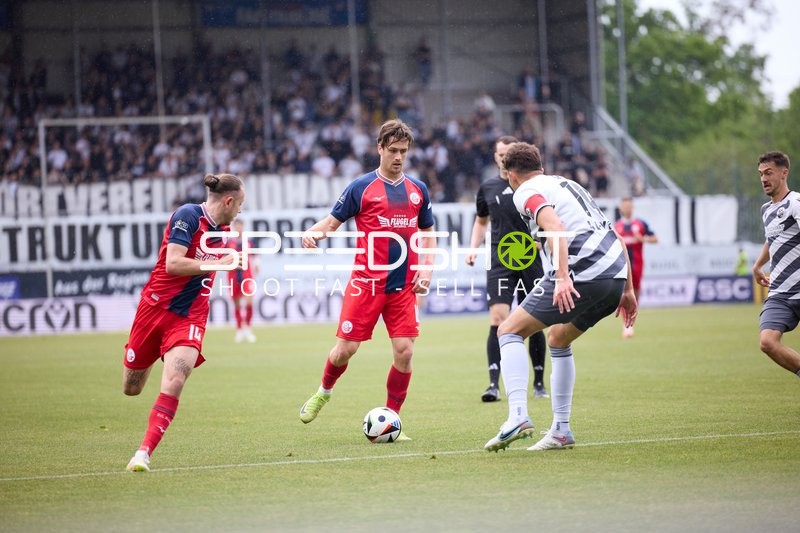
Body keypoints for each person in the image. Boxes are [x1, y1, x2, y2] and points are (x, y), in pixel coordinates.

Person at [483, 142, 636, 453]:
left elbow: (556, 227)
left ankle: (517, 416)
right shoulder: (568, 185)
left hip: (583, 271)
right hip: (614, 275)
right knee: (557, 339)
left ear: (512, 175)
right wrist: (629, 289)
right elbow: (615, 234)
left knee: (508, 330)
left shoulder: (525, 190)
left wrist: (563, 276)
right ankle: (561, 430)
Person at [298, 119, 435, 440]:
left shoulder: (418, 191)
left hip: (403, 287)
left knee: (405, 352)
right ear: (379, 149)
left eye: (404, 151)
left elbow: (428, 234)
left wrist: (427, 269)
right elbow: (331, 223)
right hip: (366, 283)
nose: (399, 157)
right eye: (393, 150)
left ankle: (392, 420)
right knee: (345, 350)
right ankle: (323, 391)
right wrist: (312, 233)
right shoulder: (361, 187)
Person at [123, 173, 245, 472]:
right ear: (228, 201)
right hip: (153, 309)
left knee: (176, 379)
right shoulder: (188, 215)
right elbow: (173, 263)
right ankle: (150, 354)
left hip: (190, 316)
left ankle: (143, 453)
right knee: (132, 388)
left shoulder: (226, 231)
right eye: (240, 204)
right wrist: (216, 264)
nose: (241, 210)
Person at [466, 135, 548, 402]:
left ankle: (538, 383)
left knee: (533, 321)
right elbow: (481, 221)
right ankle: (493, 384)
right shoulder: (487, 187)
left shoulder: (532, 187)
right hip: (499, 260)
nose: (503, 157)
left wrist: (540, 241)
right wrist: (473, 247)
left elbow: (548, 220)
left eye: (507, 153)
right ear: (495, 156)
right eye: (499, 153)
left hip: (529, 258)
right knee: (498, 318)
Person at [752, 151, 800, 378]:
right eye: (761, 174)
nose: (763, 178)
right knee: (767, 342)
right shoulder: (766, 209)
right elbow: (773, 238)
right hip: (780, 291)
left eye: (768, 173)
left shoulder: (796, 203)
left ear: (784, 173)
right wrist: (757, 265)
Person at [614, 196, 658, 337]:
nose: (627, 208)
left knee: (636, 292)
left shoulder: (640, 224)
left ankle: (631, 319)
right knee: (623, 292)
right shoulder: (616, 226)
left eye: (629, 205)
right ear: (621, 208)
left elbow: (655, 239)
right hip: (622, 265)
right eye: (624, 205)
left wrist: (643, 239)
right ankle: (625, 325)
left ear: (632, 207)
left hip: (638, 263)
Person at [228, 218, 259, 343]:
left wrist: (257, 264)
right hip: (233, 274)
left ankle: (248, 327)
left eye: (240, 225)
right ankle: (239, 329)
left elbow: (255, 256)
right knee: (236, 302)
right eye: (237, 225)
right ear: (234, 227)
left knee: (249, 301)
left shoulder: (249, 242)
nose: (239, 227)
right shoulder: (229, 242)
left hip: (247, 274)